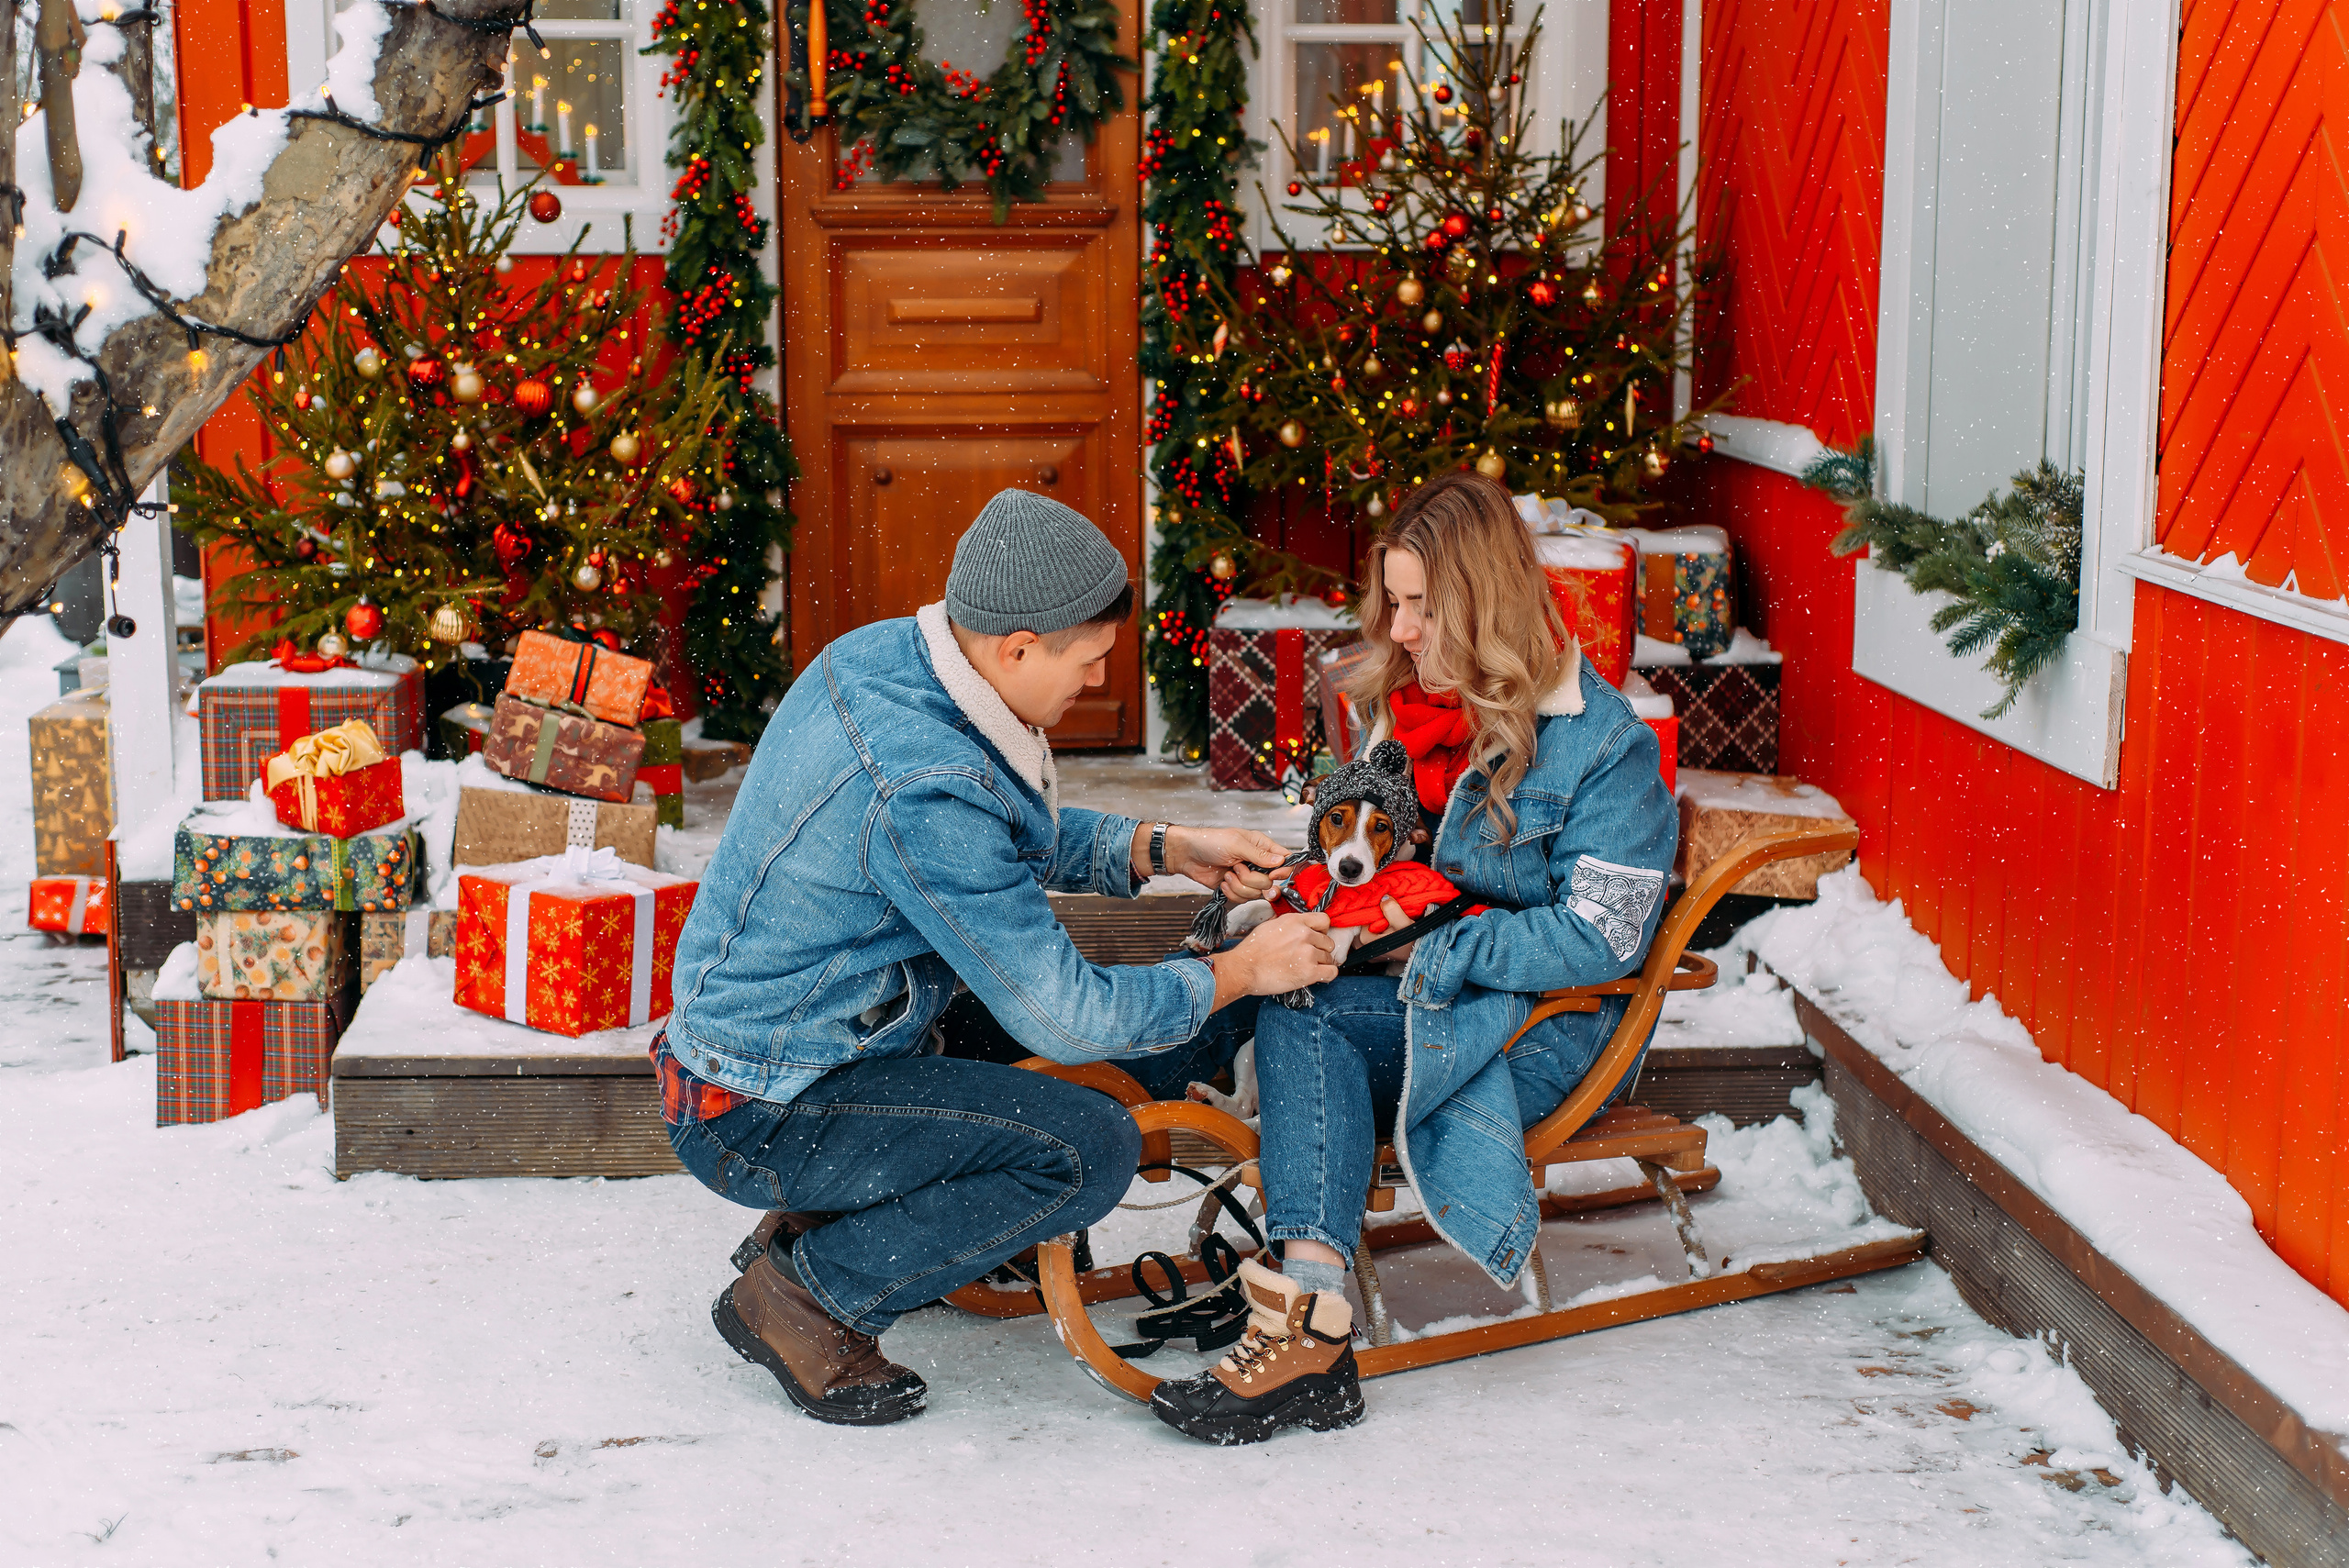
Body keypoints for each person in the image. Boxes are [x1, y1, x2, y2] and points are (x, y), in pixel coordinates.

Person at [657, 487, 1339, 1428]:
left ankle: (851, 1216)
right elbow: (1062, 1011)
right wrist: (1239, 971)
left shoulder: (884, 660)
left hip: (817, 1037)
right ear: (1017, 647)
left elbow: (987, 832)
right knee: (1087, 1148)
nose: (1094, 683)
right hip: (766, 1107)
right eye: (1088, 661)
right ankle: (810, 1293)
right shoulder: (921, 780)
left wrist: (1163, 845)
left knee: (1069, 1054)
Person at [1151, 471, 1679, 1446]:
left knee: (1302, 1009)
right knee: (1242, 970)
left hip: (1538, 1025)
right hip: (1408, 988)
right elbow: (1375, 863)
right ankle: (1051, 1136)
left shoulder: (1604, 747)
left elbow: (1601, 936)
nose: (1398, 629)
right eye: (1393, 601)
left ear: (1485, 603)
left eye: (1422, 605)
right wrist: (1297, 892)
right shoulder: (1412, 713)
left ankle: (1309, 1332)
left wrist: (1427, 940)